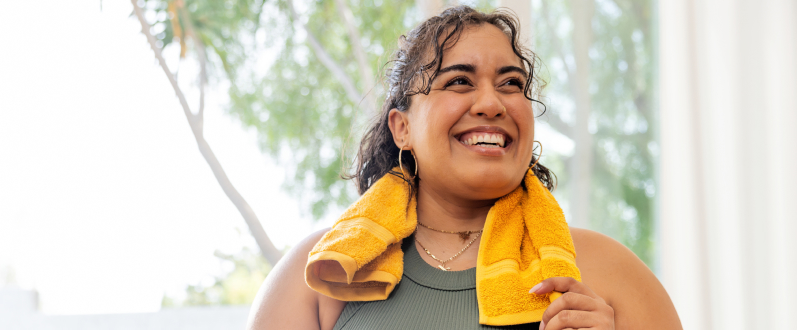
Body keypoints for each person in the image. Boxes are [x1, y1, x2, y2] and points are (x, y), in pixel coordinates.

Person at [247, 5, 681, 330]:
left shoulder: (608, 272)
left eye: (512, 83)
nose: (493, 103)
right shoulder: (323, 274)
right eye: (459, 81)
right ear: (402, 129)